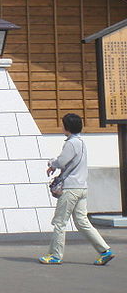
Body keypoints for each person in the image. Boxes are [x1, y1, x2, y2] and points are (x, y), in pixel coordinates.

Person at [39, 113, 114, 265]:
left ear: (68, 127)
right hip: (82, 187)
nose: (62, 127)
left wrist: (51, 163)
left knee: (60, 222)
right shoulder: (81, 142)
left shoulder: (71, 143)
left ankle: (55, 255)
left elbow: (61, 161)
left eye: (63, 124)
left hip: (70, 189)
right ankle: (104, 250)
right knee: (82, 222)